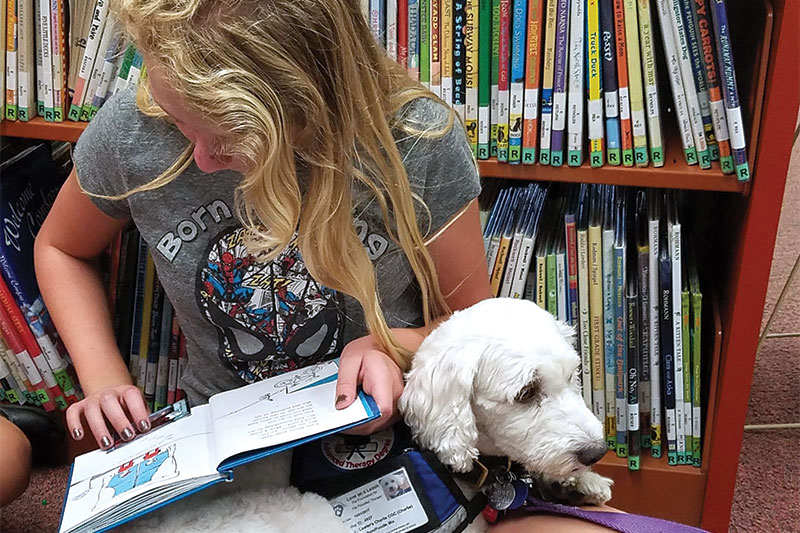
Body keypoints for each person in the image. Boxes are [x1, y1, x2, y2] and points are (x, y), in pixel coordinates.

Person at [34, 0, 634, 530]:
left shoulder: (417, 141)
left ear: (310, 104)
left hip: (385, 437)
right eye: (181, 125)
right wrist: (105, 380)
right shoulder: (134, 129)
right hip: (221, 439)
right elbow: (60, 248)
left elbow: (473, 320)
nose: (201, 158)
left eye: (229, 137)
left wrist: (395, 346)